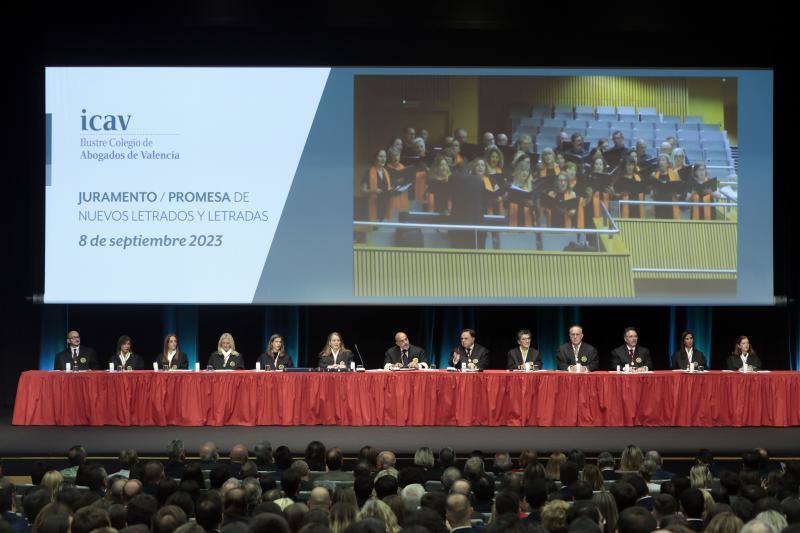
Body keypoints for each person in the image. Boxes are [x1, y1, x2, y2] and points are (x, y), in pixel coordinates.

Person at [361, 148, 394, 222]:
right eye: (380, 156)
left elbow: (389, 188)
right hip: (373, 206)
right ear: (375, 158)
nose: (383, 159)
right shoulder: (368, 172)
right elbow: (363, 190)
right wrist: (373, 190)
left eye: (385, 157)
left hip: (385, 207)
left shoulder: (387, 172)